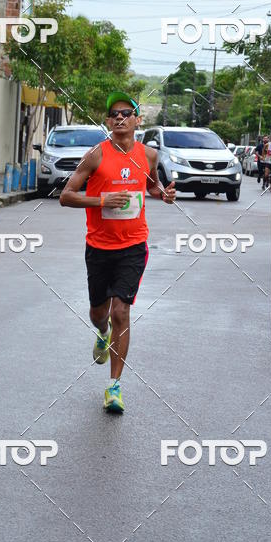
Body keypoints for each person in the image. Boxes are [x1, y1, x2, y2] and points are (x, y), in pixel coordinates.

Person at [59, 93, 176, 414]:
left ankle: (114, 386)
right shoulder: (95, 156)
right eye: (114, 114)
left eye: (127, 113)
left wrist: (162, 194)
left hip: (133, 246)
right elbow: (66, 196)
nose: (120, 118)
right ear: (108, 122)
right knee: (100, 313)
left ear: (139, 120)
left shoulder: (149, 155)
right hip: (98, 247)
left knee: (121, 312)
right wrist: (100, 201)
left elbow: (151, 186)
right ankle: (101, 332)